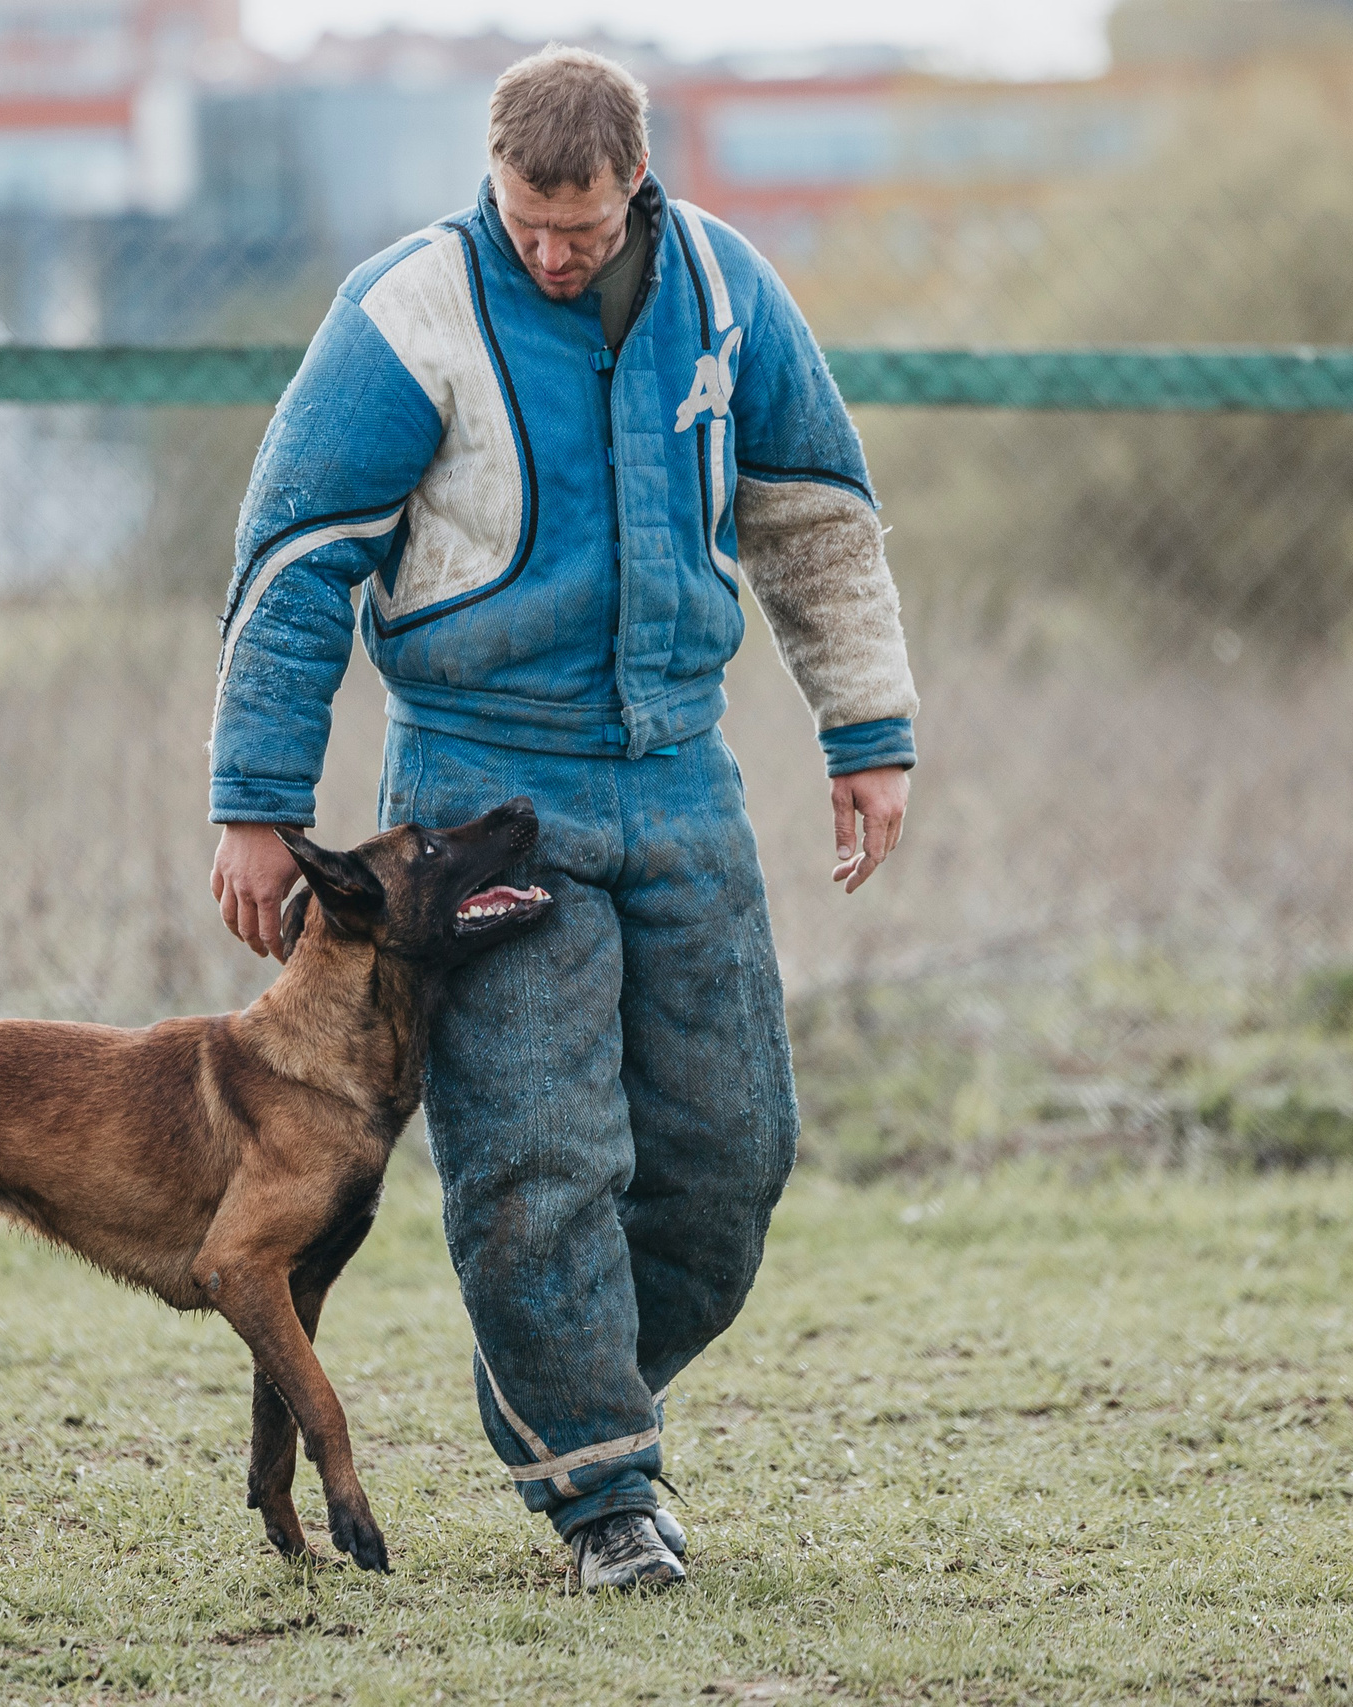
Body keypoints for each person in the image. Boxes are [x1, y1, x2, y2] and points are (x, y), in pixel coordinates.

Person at [207, 43, 916, 1591]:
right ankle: (603, 1491)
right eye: (527, 221)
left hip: (680, 776)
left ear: (635, 187)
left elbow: (814, 515)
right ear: (497, 181)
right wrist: (259, 802)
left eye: (580, 232)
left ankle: (550, 1392)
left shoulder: (729, 292)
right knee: (538, 1156)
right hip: (479, 788)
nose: (549, 254)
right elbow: (296, 555)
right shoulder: (407, 311)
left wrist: (867, 733)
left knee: (733, 1154)